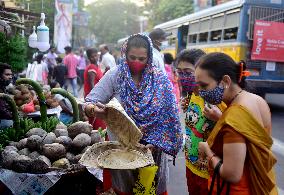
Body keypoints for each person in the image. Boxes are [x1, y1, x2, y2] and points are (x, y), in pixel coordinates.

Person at [84, 33, 182, 195]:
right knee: (125, 190)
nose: (136, 62)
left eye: (141, 59)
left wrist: (156, 143)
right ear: (125, 54)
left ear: (149, 57)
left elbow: (170, 118)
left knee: (152, 189)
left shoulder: (160, 79)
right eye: (132, 57)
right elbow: (89, 102)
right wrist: (95, 111)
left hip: (153, 153)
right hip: (123, 153)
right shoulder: (115, 76)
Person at [196, 52, 277, 195]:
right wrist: (221, 119)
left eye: (204, 85)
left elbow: (231, 174)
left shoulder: (234, 117)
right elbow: (246, 132)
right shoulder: (256, 100)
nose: (200, 92)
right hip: (259, 184)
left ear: (225, 81)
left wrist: (207, 150)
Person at [176, 49, 225, 195]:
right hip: (191, 165)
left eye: (188, 72)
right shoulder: (192, 94)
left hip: (208, 172)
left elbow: (234, 130)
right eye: (179, 72)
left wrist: (220, 118)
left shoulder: (215, 97)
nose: (182, 77)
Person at [84, 48, 106, 130]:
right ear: (89, 58)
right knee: (97, 123)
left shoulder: (97, 66)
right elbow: (91, 84)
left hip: (96, 98)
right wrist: (96, 99)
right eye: (92, 57)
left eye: (96, 56)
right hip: (94, 100)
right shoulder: (92, 67)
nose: (95, 58)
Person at [0, 63, 13, 129]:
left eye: (11, 74)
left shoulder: (3, 87)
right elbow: (2, 110)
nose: (10, 77)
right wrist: (14, 115)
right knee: (10, 123)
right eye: (7, 74)